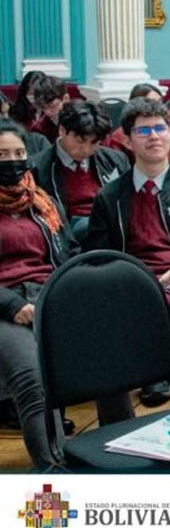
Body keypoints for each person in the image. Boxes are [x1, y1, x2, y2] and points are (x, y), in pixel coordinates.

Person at [84, 97, 170, 409]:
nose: (154, 136)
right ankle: (116, 428)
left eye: (160, 128)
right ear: (126, 140)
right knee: (99, 307)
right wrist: (132, 280)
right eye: (143, 130)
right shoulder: (109, 197)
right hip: (130, 286)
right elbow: (97, 255)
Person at [0, 119, 79, 469]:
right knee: (34, 377)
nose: (13, 161)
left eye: (18, 153)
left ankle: (119, 449)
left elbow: (69, 249)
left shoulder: (41, 200)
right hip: (8, 306)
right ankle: (52, 469)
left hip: (50, 296)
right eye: (2, 155)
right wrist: (14, 305)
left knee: (108, 352)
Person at [30, 102, 129, 241]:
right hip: (66, 231)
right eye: (80, 141)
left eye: (94, 143)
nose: (86, 150)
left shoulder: (115, 160)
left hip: (111, 224)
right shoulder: (37, 168)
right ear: (62, 130)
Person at [25, 74, 69, 143]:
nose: (47, 112)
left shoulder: (80, 120)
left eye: (52, 106)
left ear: (65, 99)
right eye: (43, 107)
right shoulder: (38, 128)